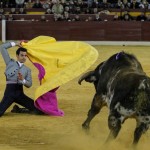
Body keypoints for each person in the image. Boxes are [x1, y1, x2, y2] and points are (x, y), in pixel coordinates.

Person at [0, 41, 42, 116]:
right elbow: (2, 47)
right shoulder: (10, 63)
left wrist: (23, 80)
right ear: (17, 55)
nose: (24, 57)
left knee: (39, 109)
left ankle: (19, 110)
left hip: (20, 94)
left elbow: (29, 84)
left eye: (25, 56)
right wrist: (15, 43)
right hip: (9, 93)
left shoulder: (27, 69)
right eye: (22, 55)